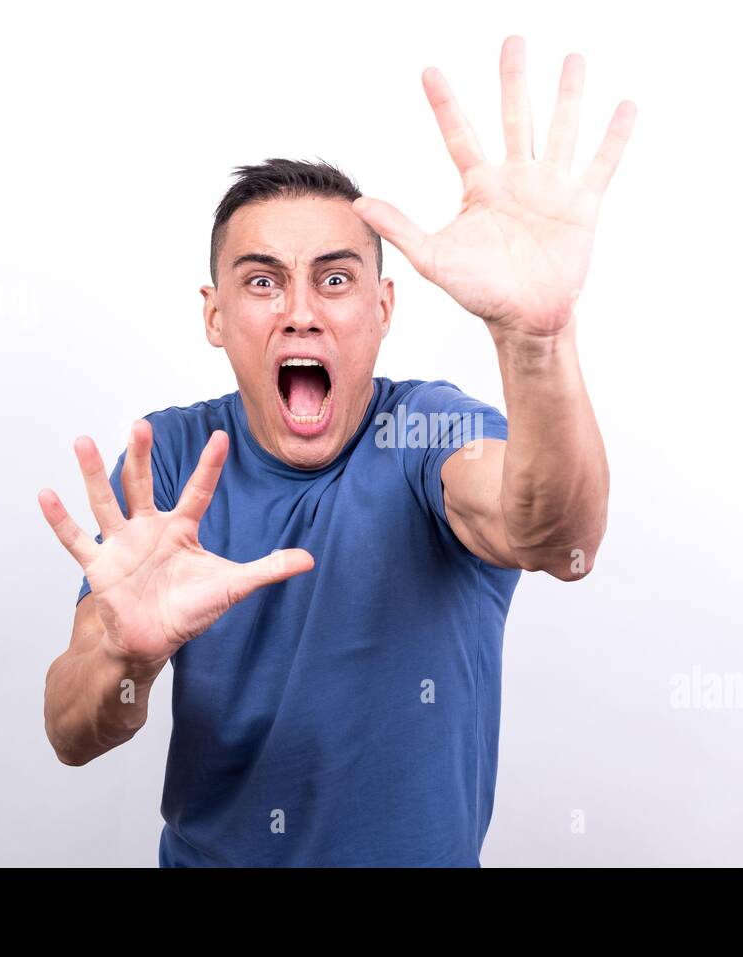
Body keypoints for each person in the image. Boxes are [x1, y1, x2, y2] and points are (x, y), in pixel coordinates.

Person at [37, 35, 634, 866]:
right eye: (261, 280)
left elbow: (559, 539)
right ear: (215, 316)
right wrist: (123, 653)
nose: (301, 312)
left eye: (336, 277)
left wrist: (536, 339)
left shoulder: (428, 431)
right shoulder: (170, 460)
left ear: (384, 306)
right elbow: (72, 729)